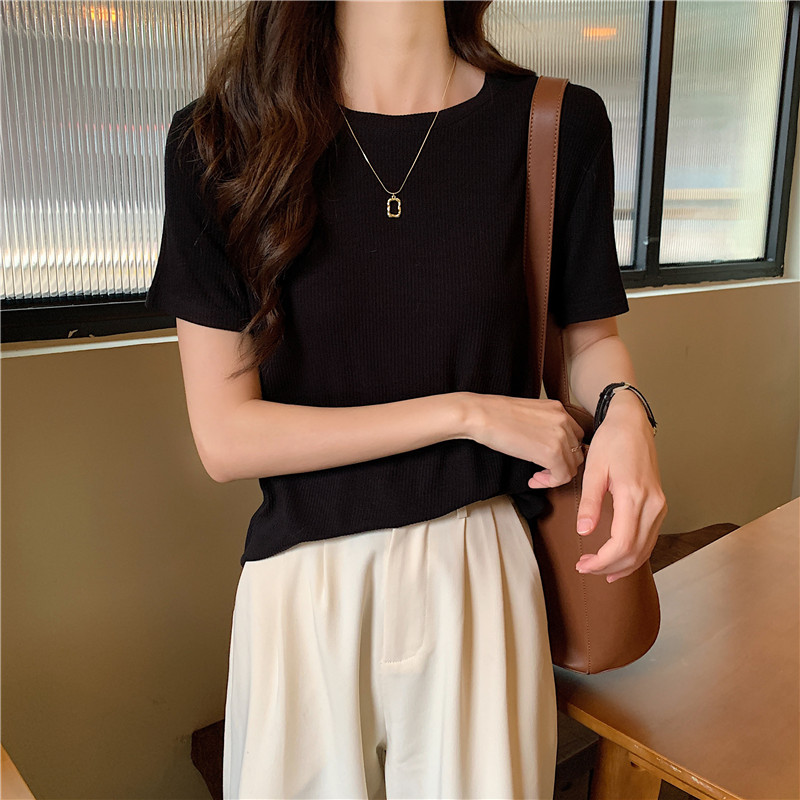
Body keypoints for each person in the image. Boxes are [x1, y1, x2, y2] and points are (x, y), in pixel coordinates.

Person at [145, 1, 668, 798]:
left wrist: (626, 410)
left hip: (479, 571)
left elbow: (589, 343)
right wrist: (468, 412)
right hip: (305, 590)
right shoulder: (219, 140)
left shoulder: (554, 124)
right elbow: (227, 437)